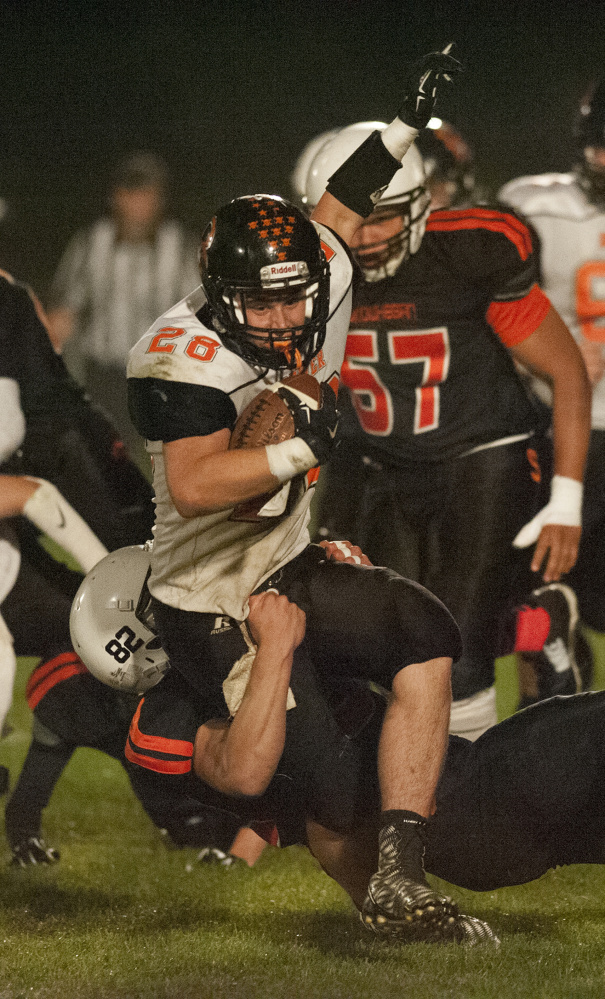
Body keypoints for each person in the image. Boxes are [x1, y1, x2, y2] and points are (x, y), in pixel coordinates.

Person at [124, 50, 500, 944]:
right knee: (326, 782)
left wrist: (404, 124)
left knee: (426, 633)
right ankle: (369, 897)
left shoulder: (314, 270)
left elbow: (338, 202)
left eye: (298, 299)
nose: (289, 322)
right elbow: (197, 482)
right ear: (219, 296)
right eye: (264, 306)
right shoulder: (179, 355)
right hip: (211, 597)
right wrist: (301, 444)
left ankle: (401, 880)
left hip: (287, 558)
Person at [305, 122, 591, 739]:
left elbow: (567, 372)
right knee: (384, 645)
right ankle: (537, 625)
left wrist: (566, 501)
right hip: (384, 463)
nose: (372, 236)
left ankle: (466, 804)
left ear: (422, 206)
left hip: (484, 457)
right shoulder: (304, 278)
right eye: (359, 217)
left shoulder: (466, 253)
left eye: (388, 217)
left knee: (455, 655)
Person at [121, 584, 605, 946]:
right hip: (479, 799)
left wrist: (395, 915)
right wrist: (273, 649)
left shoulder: (248, 708)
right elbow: (248, 773)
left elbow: (321, 828)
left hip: (480, 829)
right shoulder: (170, 718)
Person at [499, 79, 605, 657]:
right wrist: (546, 353)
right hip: (558, 417)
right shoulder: (534, 206)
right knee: (540, 595)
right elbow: (491, 310)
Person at [46, 152, 200, 459]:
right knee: (102, 464)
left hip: (161, 377)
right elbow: (62, 314)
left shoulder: (179, 245)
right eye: (131, 193)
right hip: (104, 376)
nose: (138, 204)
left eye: (147, 194)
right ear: (116, 197)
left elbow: (201, 312)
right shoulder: (92, 242)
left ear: (160, 199)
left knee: (162, 467)